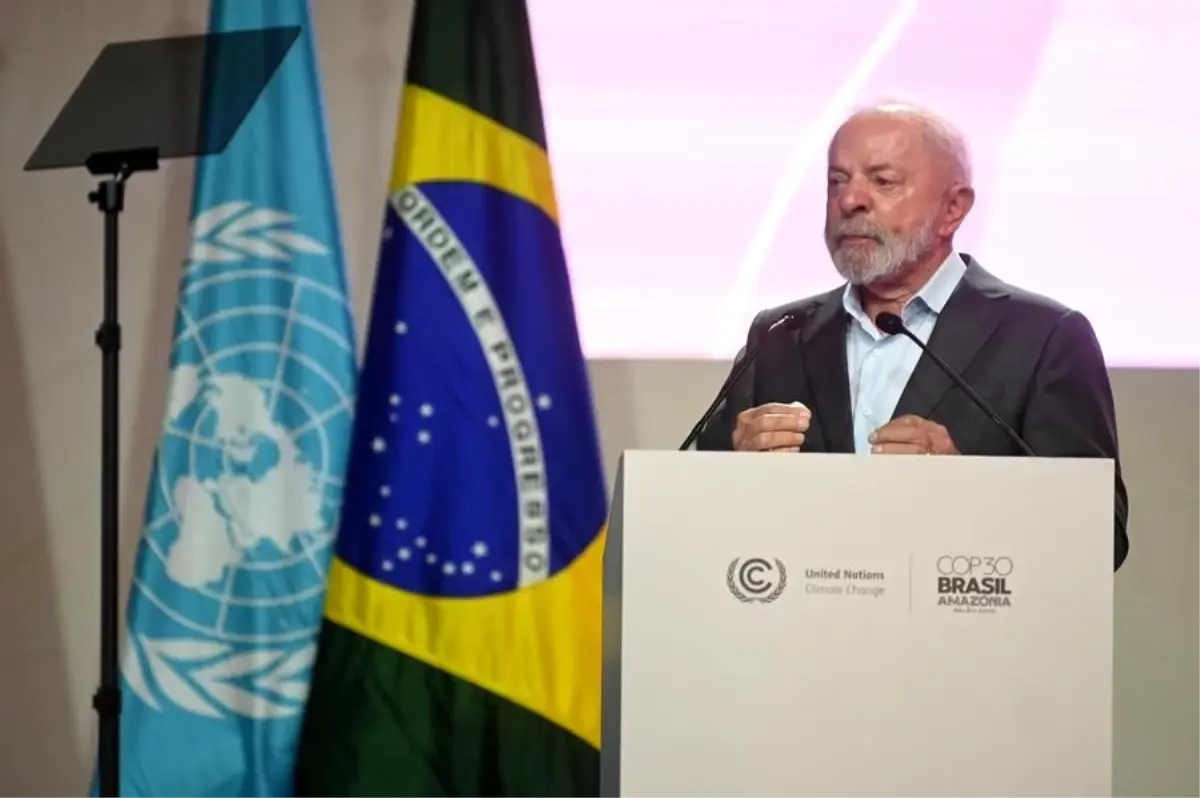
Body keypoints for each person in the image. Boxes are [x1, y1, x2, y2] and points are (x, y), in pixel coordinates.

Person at [695, 101, 1130, 571]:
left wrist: (966, 487)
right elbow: (697, 508)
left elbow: (1100, 536)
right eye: (837, 181)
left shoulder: (1044, 338)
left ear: (953, 209)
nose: (850, 200)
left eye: (883, 181)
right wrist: (735, 469)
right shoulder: (779, 334)